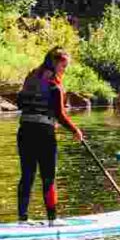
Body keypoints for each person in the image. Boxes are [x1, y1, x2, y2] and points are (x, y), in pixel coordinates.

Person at [17, 47, 84, 224]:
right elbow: (60, 115)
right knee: (48, 177)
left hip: (24, 132)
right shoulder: (54, 84)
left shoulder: (31, 77)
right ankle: (52, 220)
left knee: (27, 175)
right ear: (55, 64)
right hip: (44, 135)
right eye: (64, 66)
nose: (65, 70)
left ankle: (22, 219)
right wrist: (75, 130)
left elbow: (20, 102)